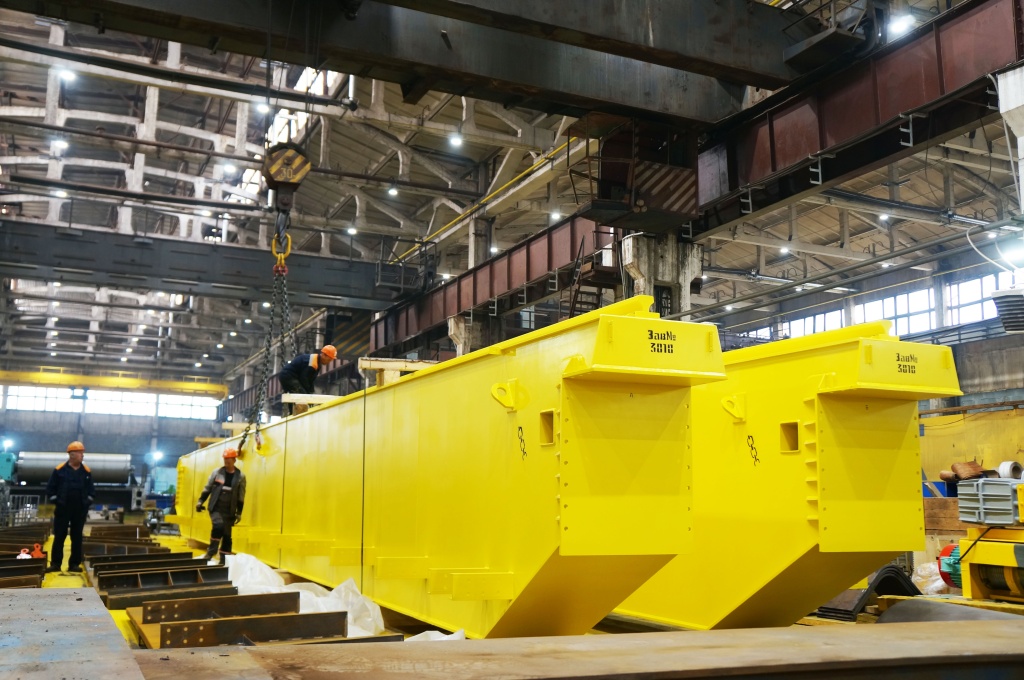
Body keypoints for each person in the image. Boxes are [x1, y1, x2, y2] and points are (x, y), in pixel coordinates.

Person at [46, 440, 94, 573]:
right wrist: (57, 501)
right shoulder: (59, 470)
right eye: (80, 453)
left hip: (79, 510)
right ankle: (56, 564)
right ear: (72, 455)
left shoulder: (86, 471)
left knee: (77, 537)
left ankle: (74, 564)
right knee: (59, 536)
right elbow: (50, 489)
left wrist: (87, 502)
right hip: (63, 509)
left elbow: (91, 491)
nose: (82, 455)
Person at [195, 447, 246, 562]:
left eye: (229, 459)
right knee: (218, 526)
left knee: (227, 534)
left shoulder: (240, 476)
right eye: (225, 459)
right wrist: (200, 501)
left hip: (230, 510)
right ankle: (211, 552)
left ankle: (224, 558)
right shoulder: (217, 473)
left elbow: (241, 496)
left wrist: (239, 513)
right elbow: (208, 488)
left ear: (234, 460)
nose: (226, 461)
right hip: (216, 507)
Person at [277, 344, 337, 415]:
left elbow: (310, 380)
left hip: (289, 376)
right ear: (324, 355)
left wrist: (311, 393)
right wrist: (308, 395)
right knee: (301, 395)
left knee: (296, 395)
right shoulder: (312, 363)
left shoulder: (316, 363)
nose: (329, 362)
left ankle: (292, 413)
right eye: (329, 359)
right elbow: (304, 379)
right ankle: (295, 414)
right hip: (288, 376)